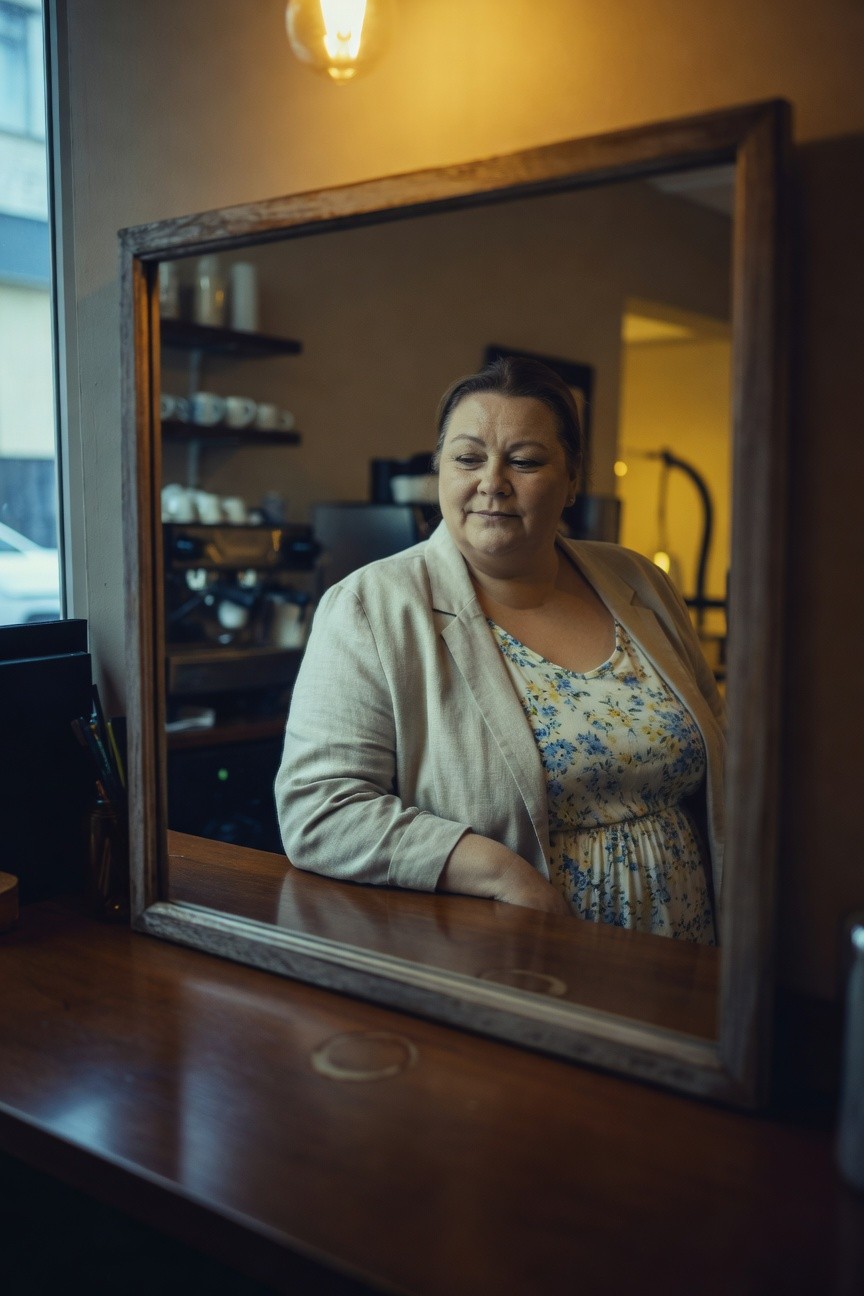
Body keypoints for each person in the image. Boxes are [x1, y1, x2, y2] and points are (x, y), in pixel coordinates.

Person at [276, 357, 725, 944]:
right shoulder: (371, 607)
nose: (493, 481)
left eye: (525, 460)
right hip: (516, 951)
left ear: (571, 478)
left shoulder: (638, 580)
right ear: (439, 469)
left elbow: (718, 742)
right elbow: (320, 810)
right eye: (467, 458)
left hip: (689, 945)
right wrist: (499, 873)